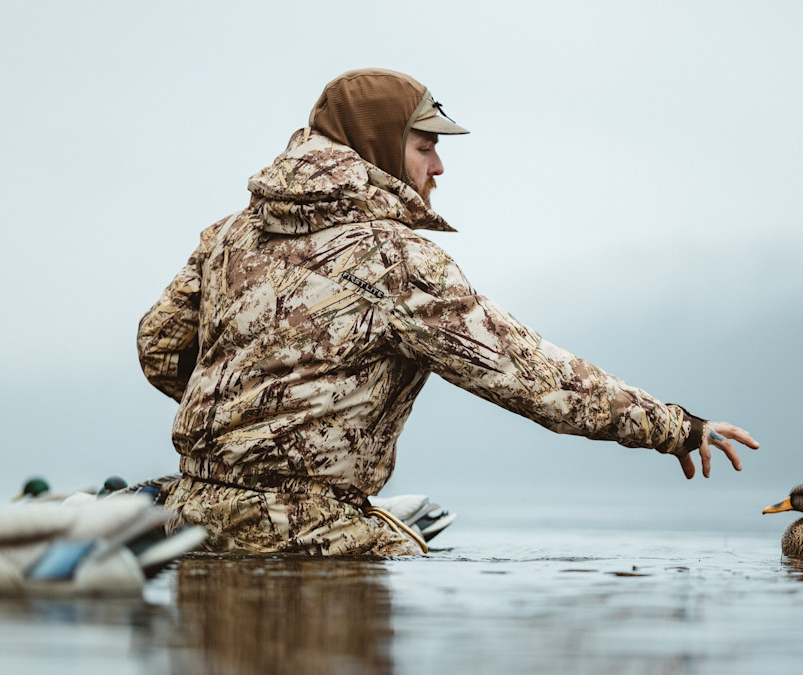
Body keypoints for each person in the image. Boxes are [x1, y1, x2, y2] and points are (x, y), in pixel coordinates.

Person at [137, 68, 760, 556]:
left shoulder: (231, 234)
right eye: (426, 146)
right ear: (377, 145)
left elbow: (159, 348)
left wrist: (251, 415)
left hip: (189, 517)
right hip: (307, 533)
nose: (439, 166)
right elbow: (532, 378)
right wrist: (675, 426)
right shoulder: (397, 261)